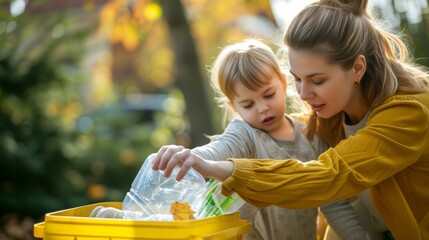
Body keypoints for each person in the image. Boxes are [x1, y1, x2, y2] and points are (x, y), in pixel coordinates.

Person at [152, 0, 429, 239]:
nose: (304, 94)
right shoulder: (328, 115)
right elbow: (237, 141)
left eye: (317, 80)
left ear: (357, 68)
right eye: (297, 79)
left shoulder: (409, 114)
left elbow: (329, 177)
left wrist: (225, 170)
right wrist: (193, 157)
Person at [186, 38, 321, 239]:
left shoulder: (310, 132)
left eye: (268, 95)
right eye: (248, 105)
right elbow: (220, 148)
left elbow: (333, 200)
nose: (262, 108)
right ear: (234, 107)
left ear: (283, 83)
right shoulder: (246, 134)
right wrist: (189, 157)